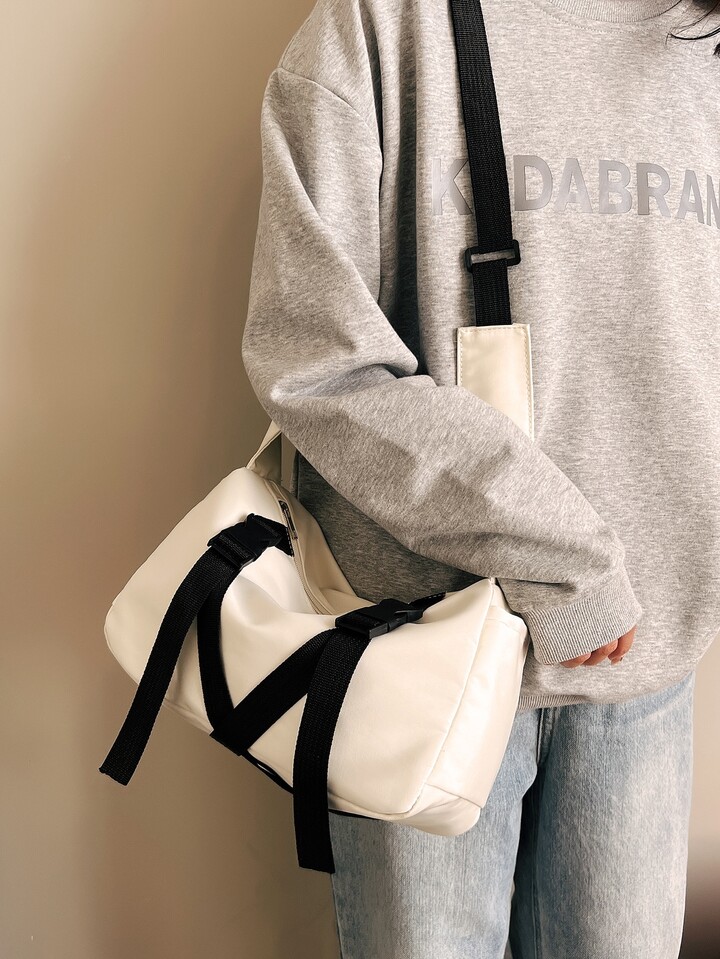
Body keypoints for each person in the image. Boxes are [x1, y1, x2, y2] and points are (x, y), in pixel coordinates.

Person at [240, 0, 720, 956]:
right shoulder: (379, 27)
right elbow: (317, 361)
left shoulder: (696, 39)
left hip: (653, 669)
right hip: (421, 663)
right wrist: (565, 560)